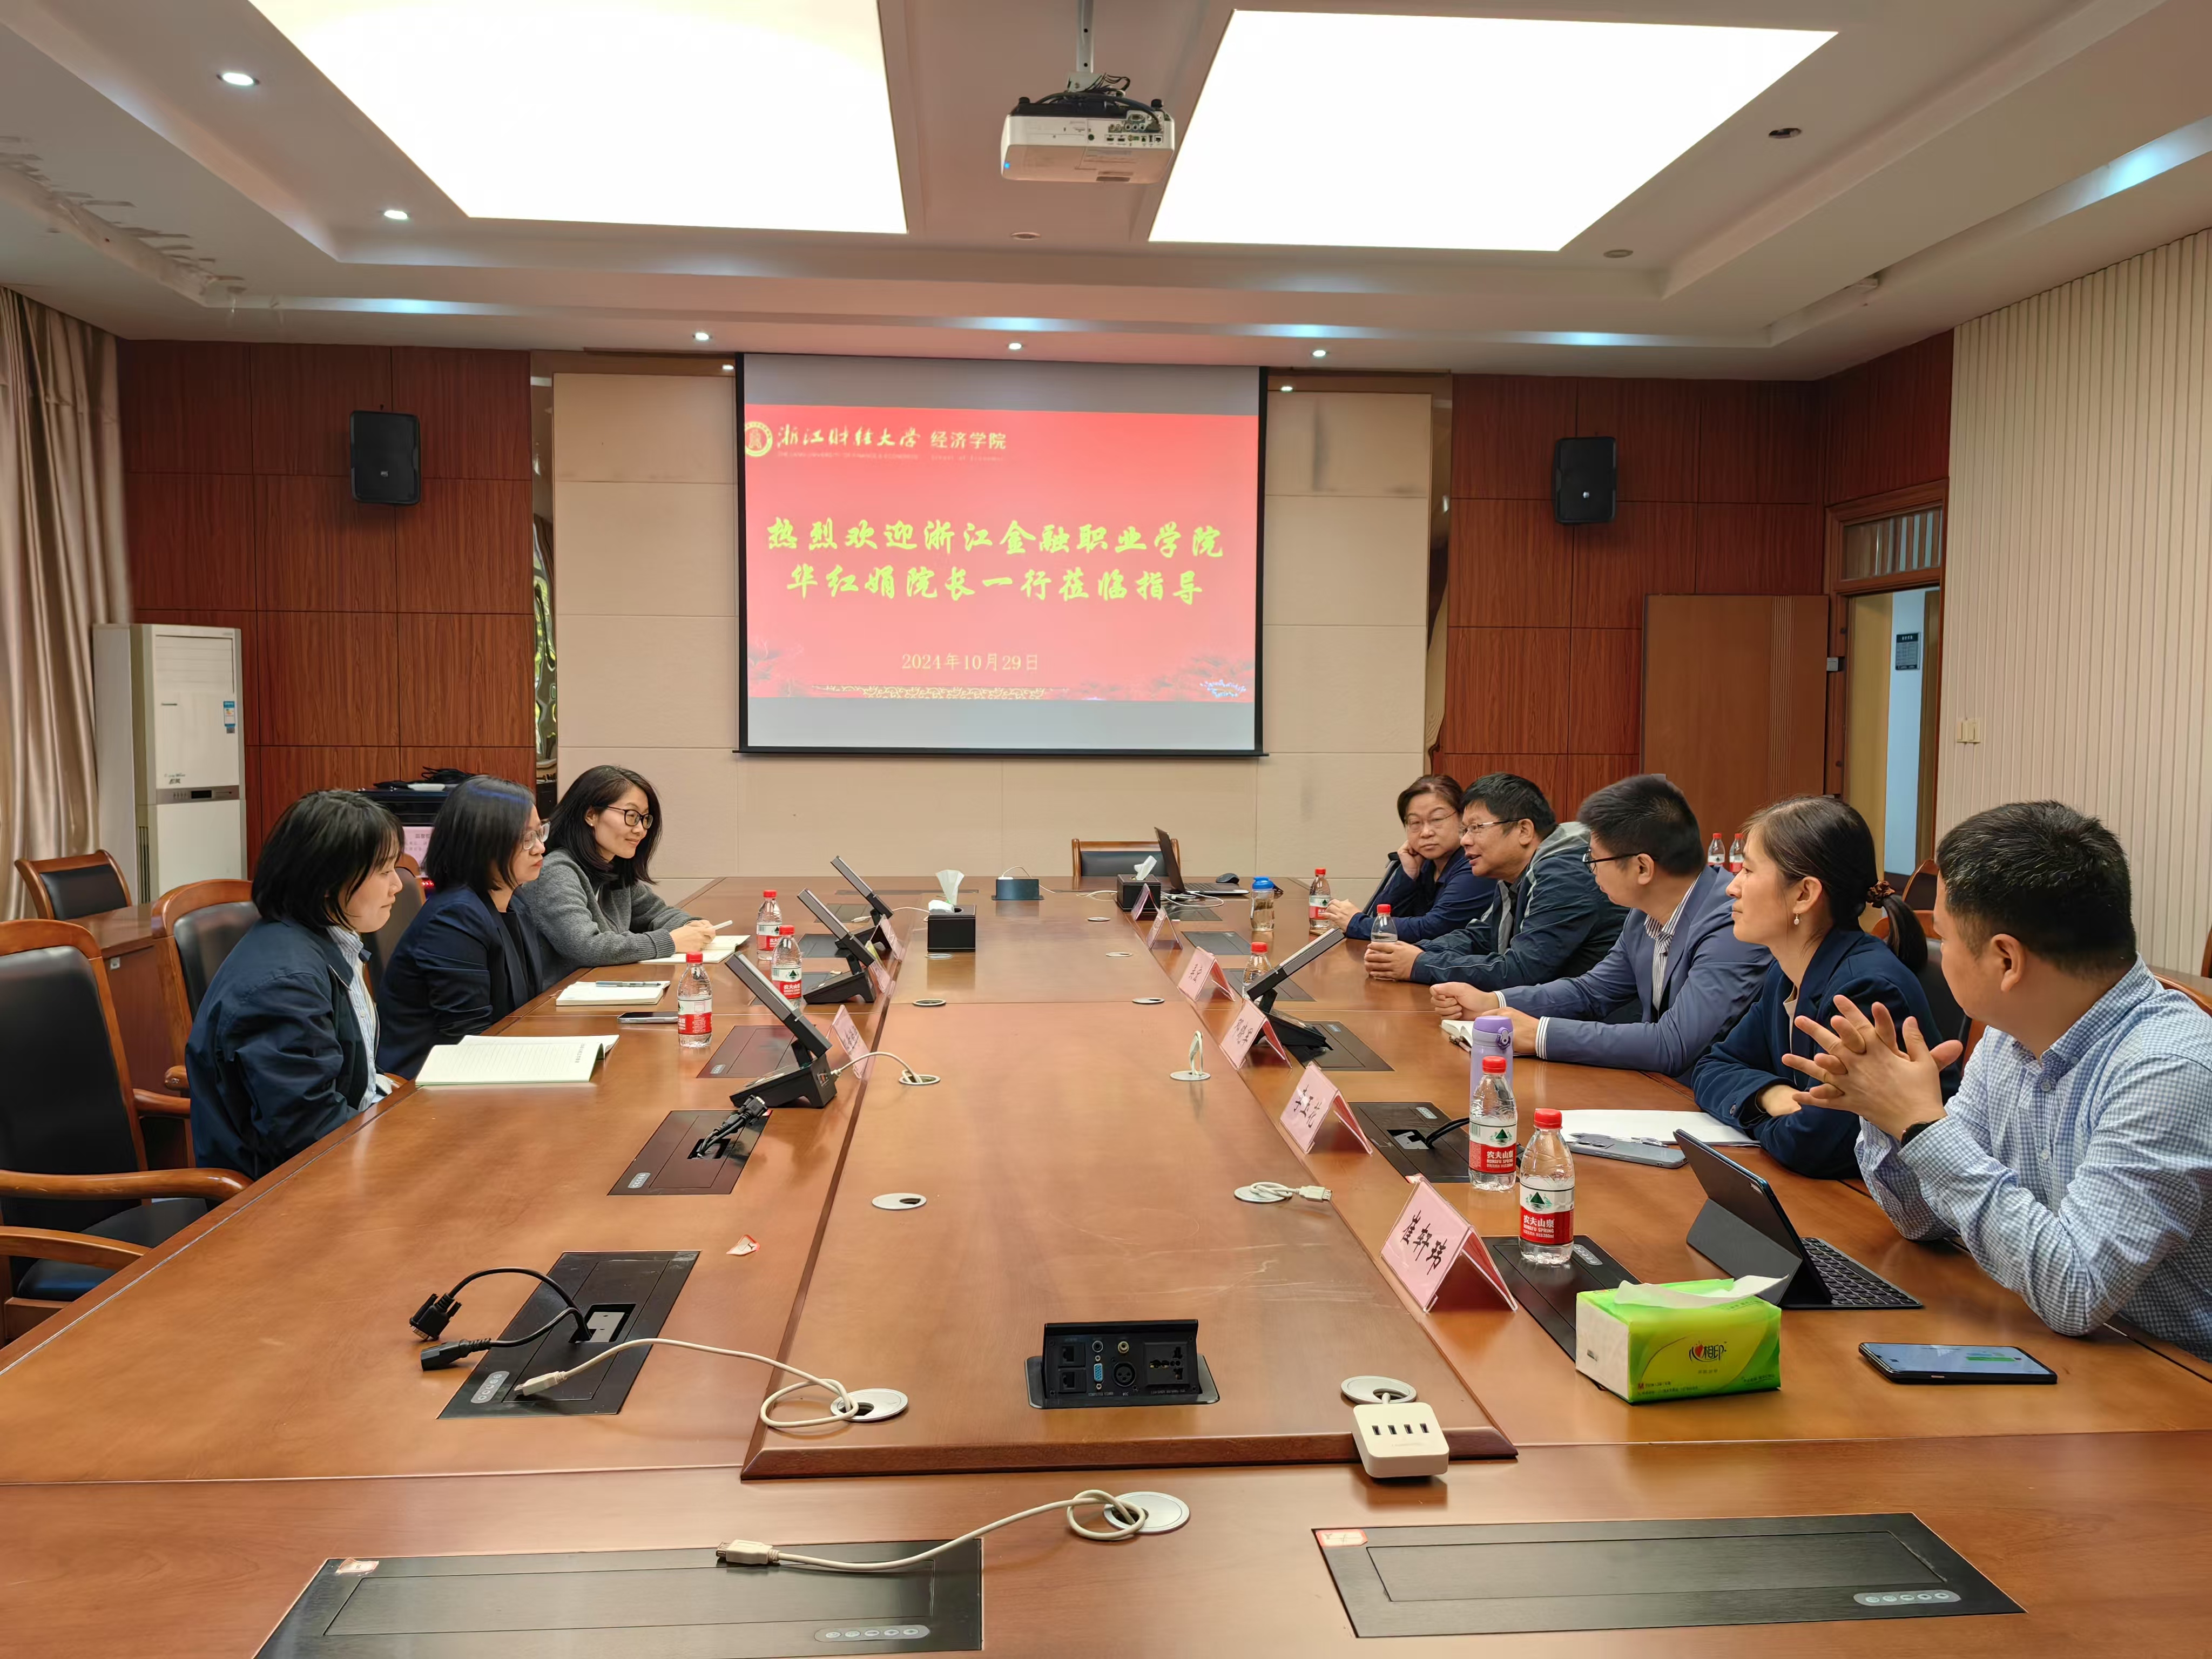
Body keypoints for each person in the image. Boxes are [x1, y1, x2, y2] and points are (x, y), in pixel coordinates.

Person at [1788, 801, 2212, 1359]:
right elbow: (1922, 1219)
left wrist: (1922, 1126)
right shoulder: (2011, 1037)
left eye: (1944, 938)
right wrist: (1885, 1111)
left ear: (2007, 961)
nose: (1938, 952)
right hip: (2048, 1341)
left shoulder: (2169, 1069)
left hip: (2168, 1379)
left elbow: (2077, 1291)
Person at [1429, 774, 1767, 1080]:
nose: (1589, 869)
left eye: (1594, 859)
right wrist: (1492, 1001)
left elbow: (1674, 1042)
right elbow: (1591, 991)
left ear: (1642, 868)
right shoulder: (1643, 914)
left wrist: (1540, 1034)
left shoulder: (1730, 924)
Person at [1689, 794, 1955, 1179]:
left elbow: (1810, 1143)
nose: (1733, 887)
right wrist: (1772, 1096)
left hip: (1885, 1199)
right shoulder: (1786, 972)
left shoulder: (1864, 989)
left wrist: (1758, 1111)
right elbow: (1712, 1067)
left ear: (1804, 895)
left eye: (1748, 870)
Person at [185, 790, 404, 1181]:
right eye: (384, 871)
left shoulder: (320, 943)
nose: (398, 885)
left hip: (344, 1156)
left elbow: (350, 1085)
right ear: (327, 881)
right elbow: (312, 1136)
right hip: (286, 1193)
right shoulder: (286, 986)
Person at [1362, 772, 1623, 990]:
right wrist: (1410, 951)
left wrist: (1419, 964)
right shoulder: (1513, 876)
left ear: (1524, 830)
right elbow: (1481, 936)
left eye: (1476, 828)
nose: (1465, 840)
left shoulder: (1564, 875)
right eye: (1465, 830)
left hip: (1599, 1023)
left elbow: (1522, 971)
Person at [376, 776, 555, 1078]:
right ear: (483, 842)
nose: (540, 848)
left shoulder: (515, 901)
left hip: (491, 1065)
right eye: (527, 838)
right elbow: (467, 1039)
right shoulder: (454, 918)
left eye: (540, 833)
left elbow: (523, 1010)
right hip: (428, 1084)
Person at [514, 764, 717, 970]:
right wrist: (670, 941)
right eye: (631, 816)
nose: (640, 830)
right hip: (565, 990)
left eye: (644, 819)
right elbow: (587, 947)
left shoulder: (612, 869)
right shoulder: (557, 871)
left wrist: (691, 926)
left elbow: (656, 913)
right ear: (591, 815)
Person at [1319, 773, 1495, 943]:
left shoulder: (1474, 865)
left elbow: (1434, 928)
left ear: (1462, 819)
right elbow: (1379, 915)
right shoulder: (1423, 863)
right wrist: (1409, 874)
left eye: (1437, 819)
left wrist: (1357, 923)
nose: (1426, 832)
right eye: (1415, 823)